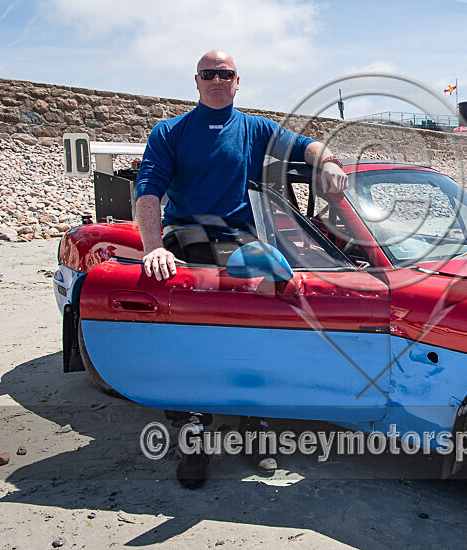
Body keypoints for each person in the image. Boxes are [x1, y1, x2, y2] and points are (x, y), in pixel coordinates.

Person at [135, 49, 348, 489]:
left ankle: (254, 426)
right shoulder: (170, 131)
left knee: (257, 333)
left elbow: (307, 145)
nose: (217, 80)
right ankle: (194, 433)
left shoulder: (256, 129)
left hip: (243, 246)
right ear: (196, 81)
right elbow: (148, 190)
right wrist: (153, 247)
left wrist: (329, 162)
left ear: (237, 81)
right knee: (194, 340)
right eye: (208, 73)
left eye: (225, 73)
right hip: (188, 241)